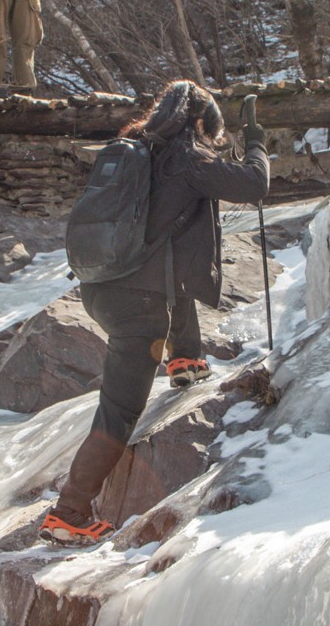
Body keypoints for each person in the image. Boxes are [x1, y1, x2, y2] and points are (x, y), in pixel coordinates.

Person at [42, 80, 269, 543]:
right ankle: (69, 513)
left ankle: (185, 358)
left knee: (170, 261)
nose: (213, 139)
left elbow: (168, 239)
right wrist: (257, 142)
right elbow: (254, 184)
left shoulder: (134, 151)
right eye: (213, 130)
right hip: (137, 308)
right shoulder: (189, 158)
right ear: (201, 122)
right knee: (119, 412)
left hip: (99, 287)